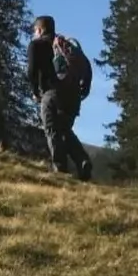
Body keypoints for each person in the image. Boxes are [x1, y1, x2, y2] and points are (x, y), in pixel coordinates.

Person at [27, 15, 93, 180]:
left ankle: (60, 169)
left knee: (51, 129)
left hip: (52, 92)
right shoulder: (67, 46)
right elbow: (87, 68)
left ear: (40, 29)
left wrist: (35, 90)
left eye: (35, 30)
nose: (34, 34)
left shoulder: (37, 44)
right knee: (64, 130)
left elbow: (32, 70)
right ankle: (82, 160)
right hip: (73, 95)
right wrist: (83, 90)